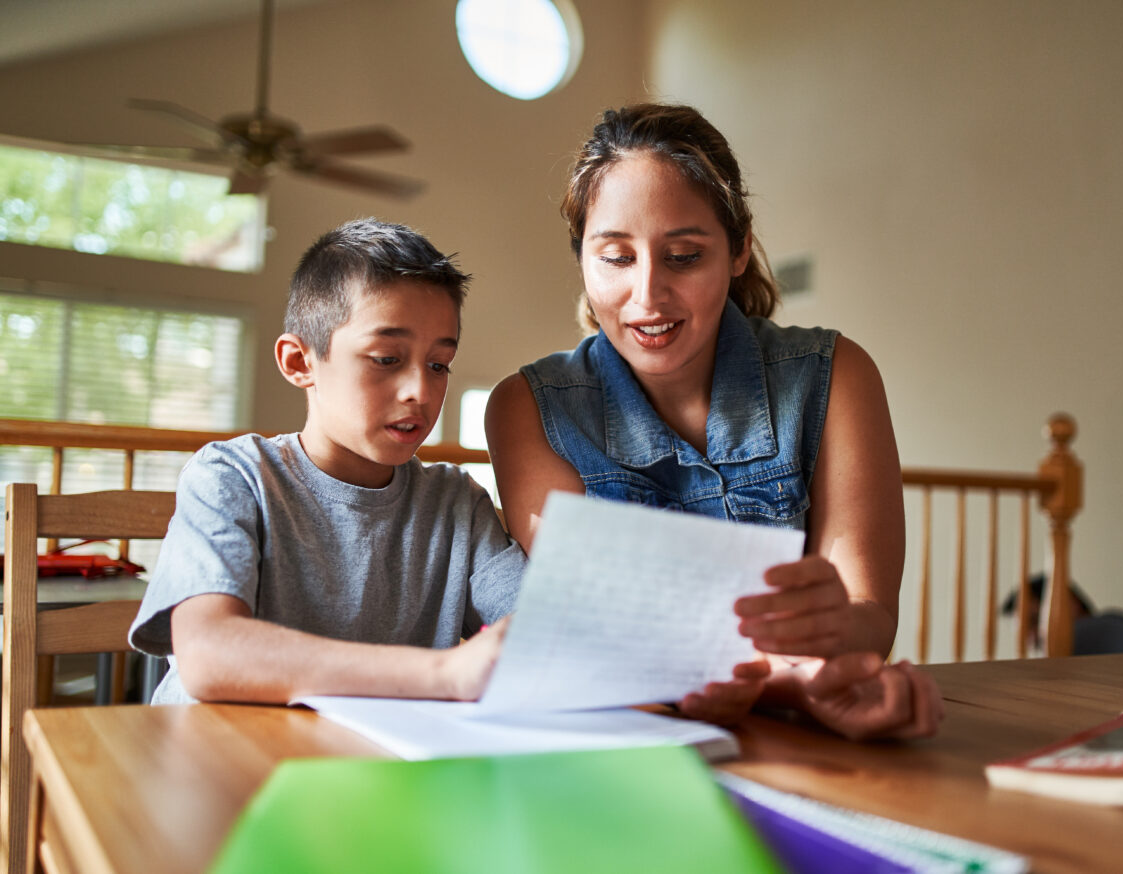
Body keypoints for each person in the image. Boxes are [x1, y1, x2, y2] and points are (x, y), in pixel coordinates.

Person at [485, 103, 943, 740]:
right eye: (616, 258)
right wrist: (794, 686)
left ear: (737, 250)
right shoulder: (528, 409)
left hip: (802, 748)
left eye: (683, 256)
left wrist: (836, 638)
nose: (648, 297)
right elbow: (604, 637)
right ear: (582, 259)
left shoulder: (836, 375)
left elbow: (867, 614)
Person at [130, 219, 526, 704]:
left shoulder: (456, 503)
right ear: (300, 362)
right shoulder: (233, 476)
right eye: (385, 358)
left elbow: (539, 633)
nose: (420, 391)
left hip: (365, 765)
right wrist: (443, 672)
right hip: (218, 759)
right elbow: (207, 653)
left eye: (439, 364)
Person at [1001, 575, 1123, 656]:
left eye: (1034, 622)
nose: (1032, 639)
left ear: (1068, 605)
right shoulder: (1111, 628)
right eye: (1023, 634)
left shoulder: (1083, 633)